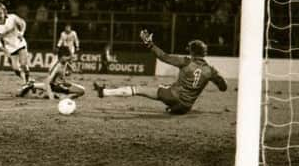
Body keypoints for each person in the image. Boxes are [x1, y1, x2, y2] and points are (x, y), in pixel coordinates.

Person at [94, 30, 227, 114]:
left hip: (171, 97)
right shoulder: (210, 71)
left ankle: (104, 92)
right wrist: (218, 79)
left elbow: (163, 56)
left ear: (192, 52)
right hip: (185, 107)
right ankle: (172, 109)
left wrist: (150, 44)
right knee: (168, 88)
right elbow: (223, 88)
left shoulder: (186, 61)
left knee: (139, 89)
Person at [18, 46, 85, 100]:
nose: (70, 58)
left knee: (81, 90)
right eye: (68, 56)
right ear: (62, 57)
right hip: (56, 86)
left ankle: (33, 85)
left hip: (60, 83)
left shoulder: (63, 60)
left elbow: (66, 63)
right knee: (81, 91)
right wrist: (51, 97)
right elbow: (47, 82)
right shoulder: (56, 66)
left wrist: (72, 69)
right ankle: (57, 95)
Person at [0, 2, 31, 87]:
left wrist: (22, 33)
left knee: (23, 64)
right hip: (10, 48)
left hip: (20, 44)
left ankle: (27, 81)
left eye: (1, 10)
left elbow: (23, 23)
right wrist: (5, 51)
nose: (0, 12)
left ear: (4, 11)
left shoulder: (12, 17)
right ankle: (27, 81)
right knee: (16, 69)